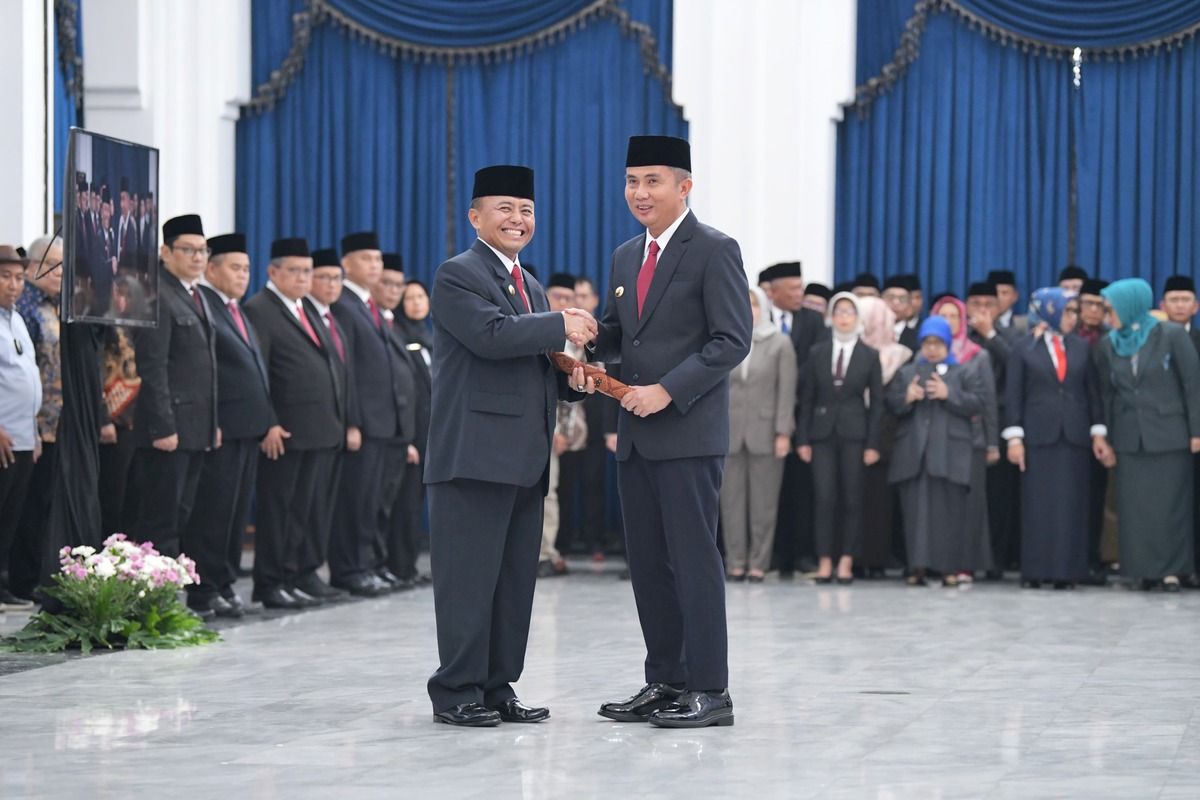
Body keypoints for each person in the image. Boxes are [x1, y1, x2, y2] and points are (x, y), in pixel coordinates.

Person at [424, 164, 595, 727]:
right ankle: (456, 692)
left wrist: (571, 378)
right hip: (473, 456)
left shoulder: (533, 285)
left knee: (513, 582)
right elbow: (491, 337)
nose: (517, 219)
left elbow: (532, 361)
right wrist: (561, 325)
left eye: (525, 211)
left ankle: (498, 687)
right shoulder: (457, 274)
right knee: (468, 581)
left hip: (523, 458)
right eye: (504, 209)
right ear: (476, 217)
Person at [591, 135, 751, 729]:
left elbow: (731, 341)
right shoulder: (625, 256)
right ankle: (665, 680)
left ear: (684, 186)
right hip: (634, 434)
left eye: (652, 181)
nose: (639, 192)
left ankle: (711, 690)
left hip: (687, 432)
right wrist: (581, 344)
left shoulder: (714, 250)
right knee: (649, 563)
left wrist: (668, 389)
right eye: (632, 181)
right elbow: (620, 334)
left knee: (693, 561)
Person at [243, 239, 348, 609]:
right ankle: (270, 582)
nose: (305, 278)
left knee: (306, 510)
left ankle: (297, 573)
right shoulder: (261, 309)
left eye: (307, 271)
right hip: (285, 431)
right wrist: (268, 421)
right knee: (279, 511)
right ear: (273, 272)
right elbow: (258, 372)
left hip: (318, 430)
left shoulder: (305, 309)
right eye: (296, 271)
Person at [185, 233, 274, 618]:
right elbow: (208, 372)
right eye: (235, 268)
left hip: (247, 428)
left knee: (235, 514)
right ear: (211, 268)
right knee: (213, 514)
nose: (242, 275)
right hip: (222, 428)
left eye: (246, 268)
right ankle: (203, 590)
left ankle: (224, 583)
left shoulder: (237, 310)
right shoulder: (205, 304)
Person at [1093, 278, 1200, 592]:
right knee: (1135, 507)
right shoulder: (1108, 343)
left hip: (1170, 435)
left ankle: (1171, 571)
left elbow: (1192, 385)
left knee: (1171, 507)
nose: (1107, 314)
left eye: (1111, 308)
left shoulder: (1170, 335)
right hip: (1129, 437)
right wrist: (1107, 437)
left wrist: (1197, 431)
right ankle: (1141, 569)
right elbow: (1108, 395)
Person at [328, 232, 414, 596]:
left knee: (377, 503)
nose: (375, 266)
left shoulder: (371, 307)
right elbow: (346, 369)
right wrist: (353, 420)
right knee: (357, 502)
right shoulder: (344, 305)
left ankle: (372, 564)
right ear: (346, 263)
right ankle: (351, 569)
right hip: (365, 422)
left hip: (388, 423)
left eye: (378, 260)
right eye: (367, 259)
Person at [129, 215, 218, 558]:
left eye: (202, 250)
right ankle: (150, 605)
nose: (198, 257)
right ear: (165, 251)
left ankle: (164, 601)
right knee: (159, 521)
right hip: (168, 432)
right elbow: (152, 368)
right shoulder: (158, 295)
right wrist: (162, 426)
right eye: (188, 249)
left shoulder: (195, 295)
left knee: (181, 515)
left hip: (195, 429)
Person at [1004, 288, 1102, 589]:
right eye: (1069, 310)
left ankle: (1068, 572)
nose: (1074, 317)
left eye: (1074, 311)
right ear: (1050, 310)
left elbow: (1092, 394)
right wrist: (1014, 437)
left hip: (1073, 437)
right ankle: (1036, 570)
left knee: (1072, 506)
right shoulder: (1024, 348)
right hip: (1038, 437)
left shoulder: (1082, 347)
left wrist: (1098, 431)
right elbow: (1014, 394)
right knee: (1038, 506)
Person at [887, 317, 982, 586]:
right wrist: (906, 397)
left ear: (947, 344)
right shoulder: (908, 372)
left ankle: (948, 569)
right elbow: (891, 403)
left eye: (937, 343)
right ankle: (916, 567)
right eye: (927, 343)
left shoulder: (963, 371)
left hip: (950, 454)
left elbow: (978, 403)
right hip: (914, 454)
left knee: (949, 514)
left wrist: (948, 393)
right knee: (915, 515)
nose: (931, 349)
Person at [797, 292, 883, 584]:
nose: (844, 317)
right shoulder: (817, 352)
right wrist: (803, 439)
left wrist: (873, 443)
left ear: (858, 318)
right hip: (821, 434)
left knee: (852, 498)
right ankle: (824, 561)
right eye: (839, 312)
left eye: (850, 312)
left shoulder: (869, 355)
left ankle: (846, 560)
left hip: (855, 434)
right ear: (831, 317)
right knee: (823, 497)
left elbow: (877, 404)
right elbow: (806, 398)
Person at [721, 286, 796, 582]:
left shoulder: (780, 343)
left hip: (766, 432)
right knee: (730, 502)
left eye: (754, 304)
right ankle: (736, 561)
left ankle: (758, 563)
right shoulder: (725, 340)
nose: (749, 309)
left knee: (763, 504)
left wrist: (782, 432)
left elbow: (786, 392)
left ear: (763, 308)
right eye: (743, 303)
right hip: (729, 430)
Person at [295, 246, 353, 602]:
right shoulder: (308, 315)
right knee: (297, 508)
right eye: (324, 277)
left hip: (331, 427)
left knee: (318, 508)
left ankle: (309, 571)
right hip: (298, 429)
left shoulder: (326, 317)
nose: (332, 285)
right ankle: (293, 574)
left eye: (336, 279)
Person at [767, 260, 828, 577]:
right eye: (792, 289)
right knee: (767, 490)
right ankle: (773, 554)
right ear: (772, 292)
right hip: (764, 418)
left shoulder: (814, 322)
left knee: (801, 489)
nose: (799, 294)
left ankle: (802, 554)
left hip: (802, 415)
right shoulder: (757, 320)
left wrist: (789, 380)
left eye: (800, 288)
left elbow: (816, 366)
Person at [932, 293, 998, 583]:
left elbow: (988, 402)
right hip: (936, 441)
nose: (948, 322)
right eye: (942, 316)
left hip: (972, 439)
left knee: (970, 506)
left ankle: (966, 563)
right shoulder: (926, 353)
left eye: (953, 317)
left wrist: (993, 442)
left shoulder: (977, 354)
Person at [371, 252, 421, 590]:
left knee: (399, 506)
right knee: (379, 506)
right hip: (386, 430)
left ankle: (395, 566)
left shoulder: (421, 332)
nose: (395, 291)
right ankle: (380, 565)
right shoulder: (391, 325)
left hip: (408, 431)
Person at [856, 295, 913, 576]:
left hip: (887, 437)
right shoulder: (852, 351)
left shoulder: (900, 355)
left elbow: (894, 398)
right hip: (853, 435)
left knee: (880, 503)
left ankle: (877, 559)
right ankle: (855, 558)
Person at [965, 282, 1017, 578]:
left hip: (999, 422)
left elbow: (1016, 365)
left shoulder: (1010, 336)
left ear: (999, 308)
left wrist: (991, 335)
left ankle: (996, 559)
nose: (982, 311)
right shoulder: (959, 338)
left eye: (989, 305)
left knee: (998, 496)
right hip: (965, 421)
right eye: (976, 304)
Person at [0, 245, 41, 610]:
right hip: (3, 435)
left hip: (25, 434)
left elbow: (28, 374)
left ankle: (4, 583)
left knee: (13, 515)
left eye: (19, 278)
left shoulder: (17, 319)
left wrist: (35, 429)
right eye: (5, 276)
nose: (13, 285)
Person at [559, 276, 610, 561]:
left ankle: (595, 542)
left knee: (594, 487)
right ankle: (563, 543)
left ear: (594, 300)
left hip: (593, 424)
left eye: (583, 296)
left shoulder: (602, 334)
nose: (578, 301)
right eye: (574, 296)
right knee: (563, 487)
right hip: (566, 424)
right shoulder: (562, 334)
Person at [539, 272, 586, 577]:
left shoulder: (580, 340)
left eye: (569, 299)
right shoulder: (540, 329)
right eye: (558, 297)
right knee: (544, 492)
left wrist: (565, 433)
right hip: (541, 426)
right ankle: (541, 552)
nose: (564, 303)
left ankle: (550, 550)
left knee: (559, 493)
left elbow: (576, 388)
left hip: (572, 431)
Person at [394, 278, 433, 584]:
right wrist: (406, 438)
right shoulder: (397, 336)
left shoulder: (432, 338)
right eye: (410, 298)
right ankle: (399, 566)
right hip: (409, 433)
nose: (417, 303)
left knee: (418, 502)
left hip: (431, 433)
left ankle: (409, 565)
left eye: (421, 296)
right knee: (404, 504)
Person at [1162, 275, 1200, 586]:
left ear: (1196, 306)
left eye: (1185, 299)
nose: (1179, 305)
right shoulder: (1154, 341)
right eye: (1173, 300)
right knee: (1172, 501)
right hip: (1166, 435)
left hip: (1198, 433)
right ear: (1162, 306)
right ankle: (1173, 563)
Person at [883, 275, 918, 353]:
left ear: (909, 305)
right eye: (890, 297)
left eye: (902, 299)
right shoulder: (869, 335)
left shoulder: (917, 339)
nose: (896, 303)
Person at [988, 270, 1027, 335]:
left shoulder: (1025, 325)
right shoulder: (976, 325)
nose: (999, 298)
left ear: (1015, 296)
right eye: (994, 293)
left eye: (1004, 293)